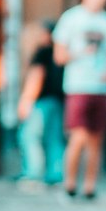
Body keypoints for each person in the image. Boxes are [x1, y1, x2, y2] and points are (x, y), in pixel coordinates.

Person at [53, 0, 106, 201]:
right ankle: (69, 183)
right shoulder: (71, 19)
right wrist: (81, 53)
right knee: (78, 136)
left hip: (100, 87)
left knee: (96, 140)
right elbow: (59, 56)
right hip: (78, 85)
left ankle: (90, 186)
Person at [16, 20, 65, 186]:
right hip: (58, 101)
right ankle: (55, 174)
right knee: (54, 138)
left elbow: (37, 77)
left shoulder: (43, 52)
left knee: (30, 136)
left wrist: (26, 100)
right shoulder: (61, 53)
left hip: (41, 101)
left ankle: (34, 173)